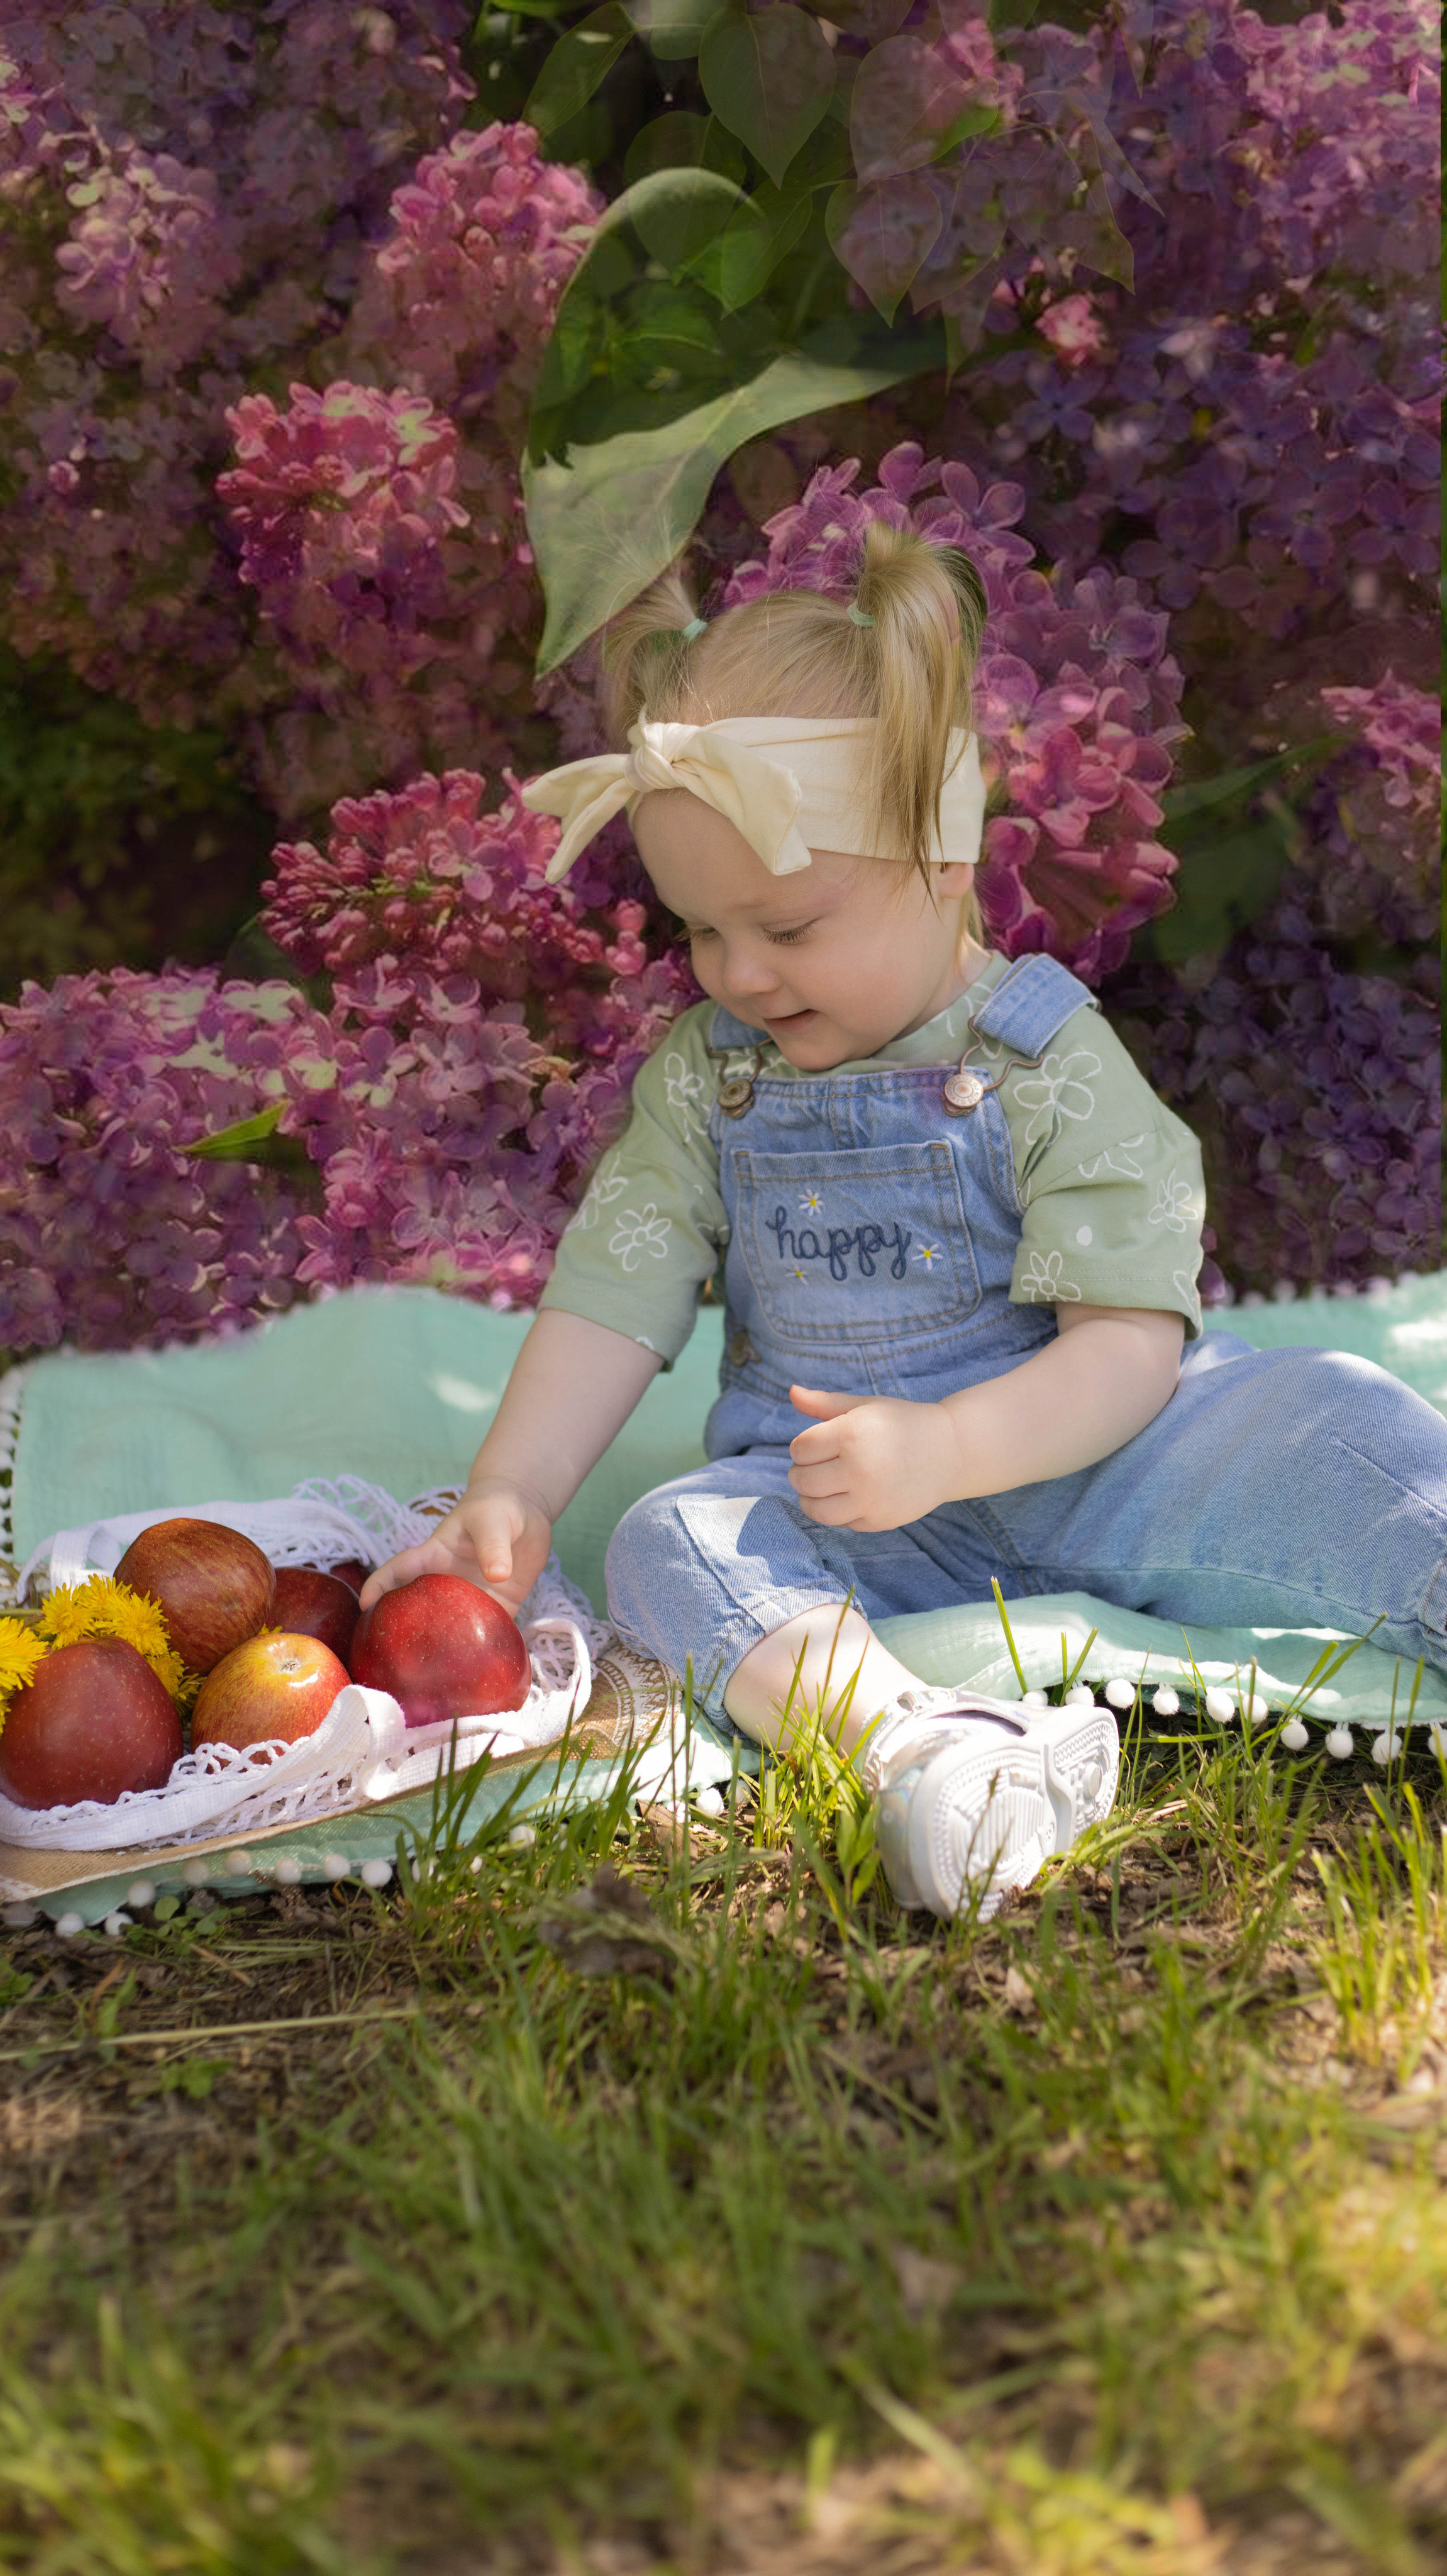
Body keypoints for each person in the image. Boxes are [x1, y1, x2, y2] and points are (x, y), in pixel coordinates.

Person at [360, 524, 1447, 1921]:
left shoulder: (1042, 1057)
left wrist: (952, 1447)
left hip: (1106, 1455)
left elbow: (1127, 1344)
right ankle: (930, 1748)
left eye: (788, 928)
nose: (738, 975)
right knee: (669, 1544)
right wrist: (513, 1489)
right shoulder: (710, 1080)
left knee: (1334, 1421)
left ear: (942, 858)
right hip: (845, 1505)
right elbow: (612, 1292)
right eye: (700, 931)